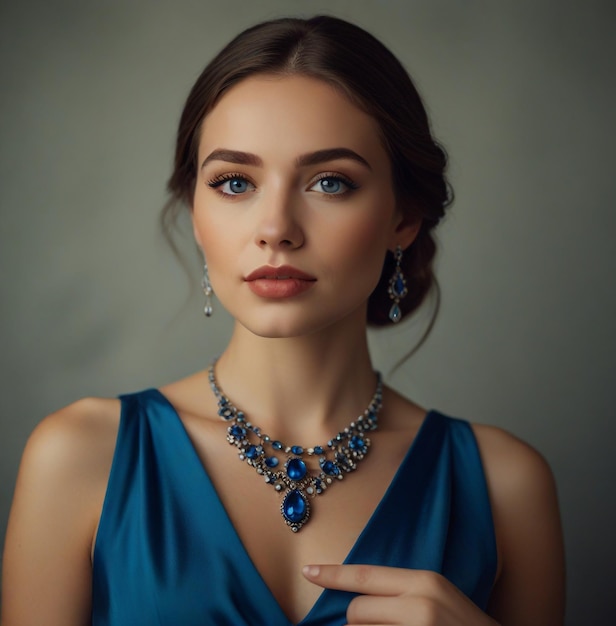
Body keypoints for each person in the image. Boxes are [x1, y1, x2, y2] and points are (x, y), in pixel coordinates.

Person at [1, 15, 565, 626]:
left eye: (329, 182)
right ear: (196, 211)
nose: (275, 228)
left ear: (404, 216)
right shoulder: (81, 457)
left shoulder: (505, 485)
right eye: (235, 182)